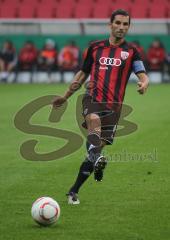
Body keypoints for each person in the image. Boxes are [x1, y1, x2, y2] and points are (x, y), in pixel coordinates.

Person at [52, 9, 149, 205]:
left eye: (126, 24)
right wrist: (66, 96)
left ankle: (74, 191)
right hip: (93, 99)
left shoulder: (131, 51)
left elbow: (142, 73)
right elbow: (82, 74)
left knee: (94, 152)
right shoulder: (95, 48)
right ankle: (96, 159)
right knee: (93, 122)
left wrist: (144, 82)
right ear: (110, 24)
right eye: (118, 23)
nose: (122, 27)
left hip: (114, 108)